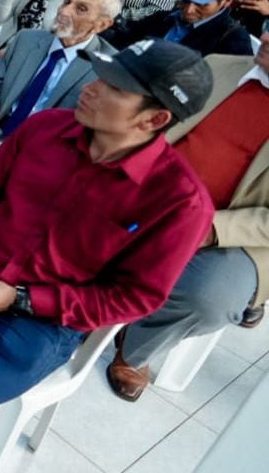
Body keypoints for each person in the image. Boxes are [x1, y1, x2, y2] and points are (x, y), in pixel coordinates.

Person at [0, 39, 215, 430]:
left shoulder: (179, 203)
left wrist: (23, 299)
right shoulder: (45, 128)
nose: (91, 88)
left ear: (154, 120)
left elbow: (133, 297)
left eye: (114, 88)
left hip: (44, 320)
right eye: (101, 75)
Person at [107, 39, 269, 401]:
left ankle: (136, 346)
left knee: (211, 298)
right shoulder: (217, 65)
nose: (268, 36)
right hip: (154, 187)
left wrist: (211, 229)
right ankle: (75, 304)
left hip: (230, 230)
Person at [0, 0, 121, 137]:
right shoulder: (25, 39)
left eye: (81, 9)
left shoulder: (107, 68)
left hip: (44, 148)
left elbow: (87, 130)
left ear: (102, 24)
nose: (64, 11)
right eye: (67, 2)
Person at [106, 0, 253, 57]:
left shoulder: (233, 40)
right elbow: (126, 38)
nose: (188, 10)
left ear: (227, 0)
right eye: (185, 0)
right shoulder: (166, 17)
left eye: (201, 4)